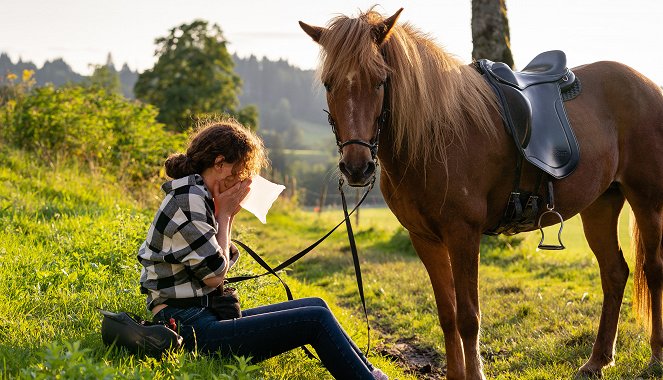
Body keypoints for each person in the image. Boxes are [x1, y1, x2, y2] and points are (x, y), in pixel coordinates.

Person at [137, 119, 388, 380]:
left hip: (199, 315)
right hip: (187, 325)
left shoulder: (197, 193)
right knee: (314, 320)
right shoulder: (188, 199)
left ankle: (372, 375)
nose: (241, 181)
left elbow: (215, 261)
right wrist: (224, 216)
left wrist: (227, 216)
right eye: (239, 172)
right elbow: (214, 276)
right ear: (219, 164)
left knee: (317, 305)